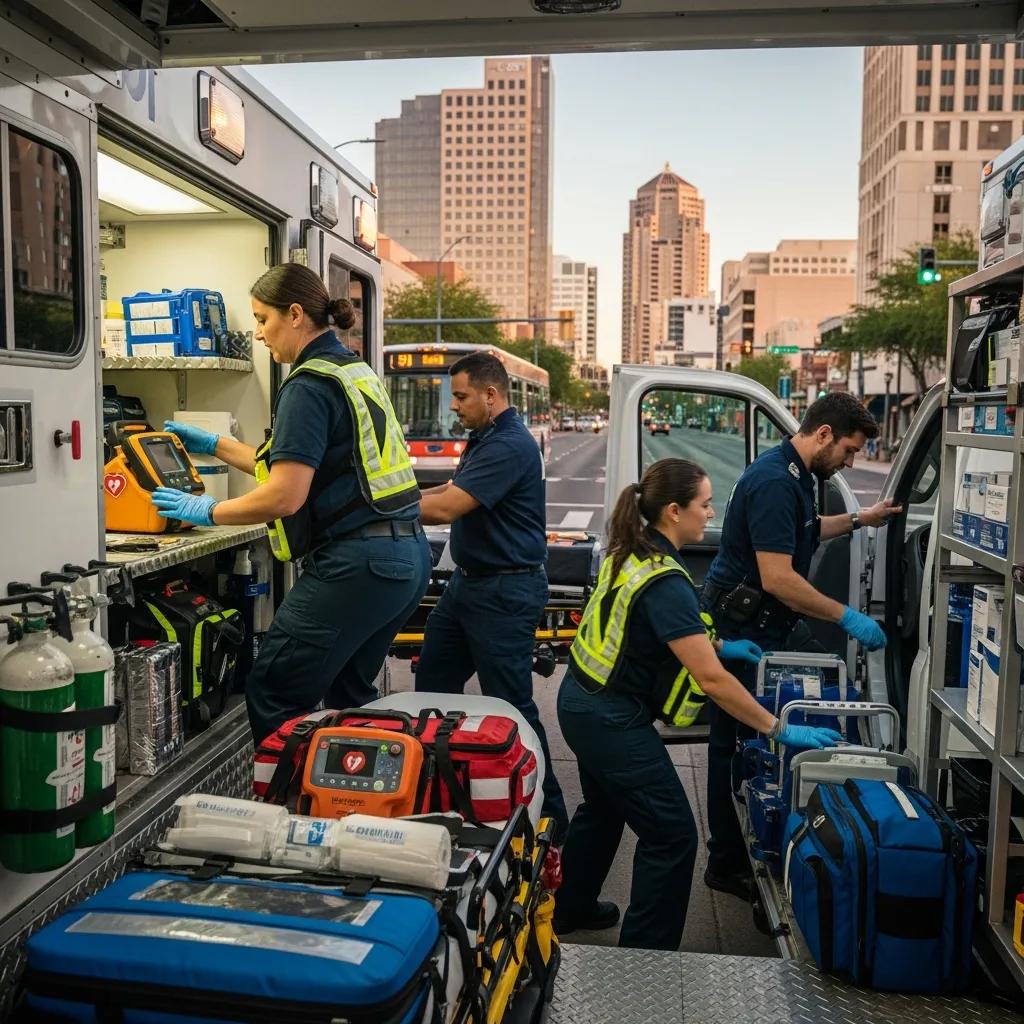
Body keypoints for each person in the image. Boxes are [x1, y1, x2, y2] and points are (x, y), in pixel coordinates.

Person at [554, 459, 842, 951]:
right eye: (704, 504)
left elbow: (665, 627)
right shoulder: (665, 578)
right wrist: (779, 729)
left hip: (582, 699)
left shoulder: (632, 549)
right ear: (673, 511)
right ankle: (646, 961)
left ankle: (571, 907)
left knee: (602, 810)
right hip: (609, 717)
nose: (709, 514)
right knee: (671, 835)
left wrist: (723, 644)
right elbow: (711, 680)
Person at [151, 262, 431, 742]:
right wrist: (212, 443)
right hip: (404, 559)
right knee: (349, 695)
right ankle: (351, 802)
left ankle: (287, 812)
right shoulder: (352, 371)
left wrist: (208, 511)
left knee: (275, 690)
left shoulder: (307, 385)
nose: (259, 334)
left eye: (263, 319)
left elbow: (285, 494)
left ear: (295, 314)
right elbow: (292, 464)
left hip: (357, 565)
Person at [699, 391, 901, 901]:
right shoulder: (773, 481)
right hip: (748, 625)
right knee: (730, 740)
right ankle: (725, 860)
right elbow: (778, 578)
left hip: (770, 621)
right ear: (824, 434)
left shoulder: (799, 474)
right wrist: (846, 615)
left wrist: (862, 519)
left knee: (826, 693)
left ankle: (792, 818)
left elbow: (806, 532)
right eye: (850, 451)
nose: (852, 463)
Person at [414, 351, 568, 838]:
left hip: (504, 590)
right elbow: (448, 489)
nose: (454, 406)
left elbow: (449, 508)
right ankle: (449, 792)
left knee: (511, 707)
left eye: (460, 396)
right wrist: (399, 492)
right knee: (433, 690)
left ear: (490, 394)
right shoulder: (484, 439)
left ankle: (549, 820)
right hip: (468, 585)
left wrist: (375, 510)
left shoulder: (510, 445)